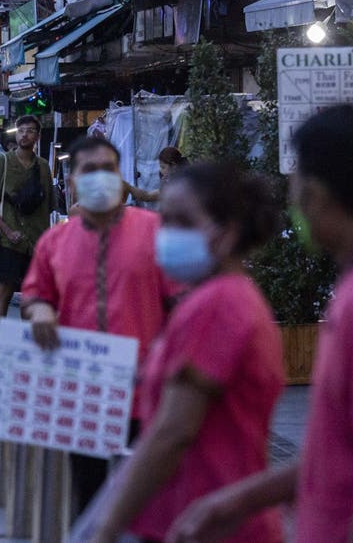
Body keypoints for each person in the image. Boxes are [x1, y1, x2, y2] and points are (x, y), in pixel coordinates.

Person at [170, 105, 353, 543]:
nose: (291, 199)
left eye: (294, 183)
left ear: (317, 194)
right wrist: (240, 499)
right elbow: (344, 450)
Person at [89, 162, 284, 542]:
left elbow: (172, 432)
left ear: (225, 233)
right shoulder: (225, 296)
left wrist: (105, 527)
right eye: (165, 219)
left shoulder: (216, 305)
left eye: (182, 221)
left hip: (204, 522)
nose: (167, 233)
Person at [22, 134, 177, 516]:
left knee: (149, 507)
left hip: (147, 395)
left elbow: (182, 300)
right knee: (87, 501)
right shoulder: (54, 242)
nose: (101, 178)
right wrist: (40, 311)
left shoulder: (156, 232)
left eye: (109, 170)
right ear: (71, 180)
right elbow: (34, 293)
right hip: (84, 394)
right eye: (90, 171)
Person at [0, 115, 55, 325]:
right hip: (9, 241)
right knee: (4, 291)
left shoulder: (42, 167)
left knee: (30, 297)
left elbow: (49, 207)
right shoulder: (1, 162)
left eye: (30, 130)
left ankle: (25, 344)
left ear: (38, 136)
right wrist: (8, 231)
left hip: (36, 242)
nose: (25, 134)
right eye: (21, 130)